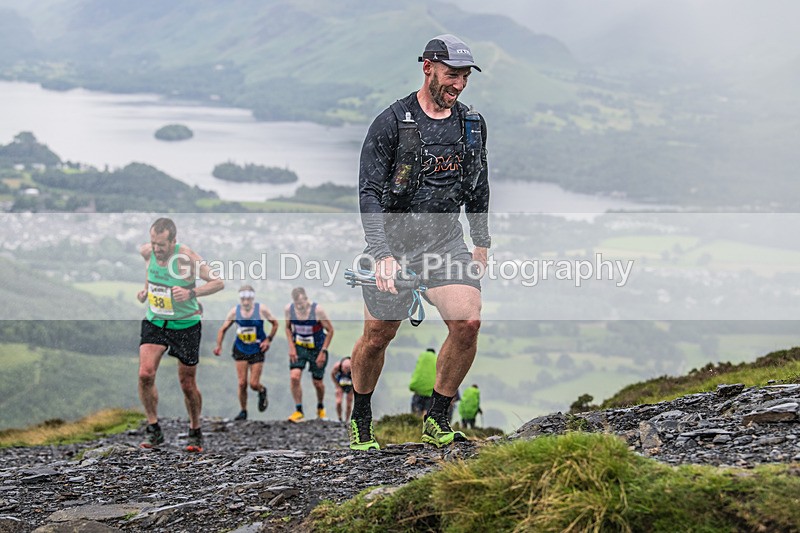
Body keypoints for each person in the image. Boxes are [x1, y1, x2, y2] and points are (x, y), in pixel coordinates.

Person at [349, 34, 490, 450]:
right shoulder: (392, 122)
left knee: (468, 323)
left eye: (465, 77)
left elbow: (479, 185)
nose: (459, 85)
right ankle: (360, 419)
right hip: (393, 246)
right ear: (427, 67)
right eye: (452, 75)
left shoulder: (471, 124)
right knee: (378, 335)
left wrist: (480, 239)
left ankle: (437, 419)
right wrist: (381, 255)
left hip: (445, 244)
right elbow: (368, 193)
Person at [136, 217, 224, 452]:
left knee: (187, 383)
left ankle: (195, 429)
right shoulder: (147, 252)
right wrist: (146, 290)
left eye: (161, 245)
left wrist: (191, 292)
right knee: (145, 374)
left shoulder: (187, 258)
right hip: (156, 321)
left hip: (185, 325)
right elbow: (150, 272)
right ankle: (153, 428)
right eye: (153, 242)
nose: (156, 249)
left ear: (173, 241)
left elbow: (218, 282)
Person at [213, 284, 279, 421]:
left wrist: (268, 340)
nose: (246, 302)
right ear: (240, 299)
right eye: (243, 299)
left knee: (253, 383)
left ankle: (261, 390)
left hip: (257, 349)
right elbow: (223, 329)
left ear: (252, 299)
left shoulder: (261, 310)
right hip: (241, 348)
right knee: (242, 383)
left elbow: (275, 323)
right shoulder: (234, 312)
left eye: (248, 299)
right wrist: (218, 346)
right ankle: (243, 411)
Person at [284, 287, 334, 422]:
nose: (300, 307)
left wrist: (323, 352)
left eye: (302, 303)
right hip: (299, 348)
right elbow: (288, 328)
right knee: (294, 377)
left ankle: (320, 407)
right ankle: (298, 410)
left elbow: (330, 331)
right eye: (297, 304)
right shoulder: (289, 310)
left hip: (317, 348)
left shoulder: (317, 311)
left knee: (317, 382)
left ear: (306, 299)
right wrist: (291, 347)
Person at [409, 348, 437, 416]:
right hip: (430, 393)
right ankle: (424, 422)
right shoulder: (436, 359)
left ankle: (416, 421)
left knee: (416, 412)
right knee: (427, 412)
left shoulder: (422, 357)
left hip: (418, 391)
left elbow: (417, 373)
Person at [330, 356, 354, 422]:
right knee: (338, 402)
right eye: (345, 368)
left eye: (348, 369)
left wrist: (353, 387)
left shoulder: (355, 368)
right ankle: (340, 418)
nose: (346, 371)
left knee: (349, 404)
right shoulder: (337, 366)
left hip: (351, 385)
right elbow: (332, 374)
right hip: (340, 384)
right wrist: (337, 385)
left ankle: (346, 420)